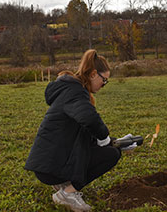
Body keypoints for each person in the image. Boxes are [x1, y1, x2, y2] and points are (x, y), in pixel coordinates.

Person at [25, 49, 138, 211]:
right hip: (51, 166)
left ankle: (64, 185)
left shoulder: (71, 90)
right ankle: (67, 194)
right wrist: (106, 140)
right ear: (93, 74)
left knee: (112, 149)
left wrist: (117, 142)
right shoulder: (75, 92)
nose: (104, 85)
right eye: (104, 80)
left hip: (49, 163)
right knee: (111, 155)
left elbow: (87, 133)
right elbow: (90, 119)